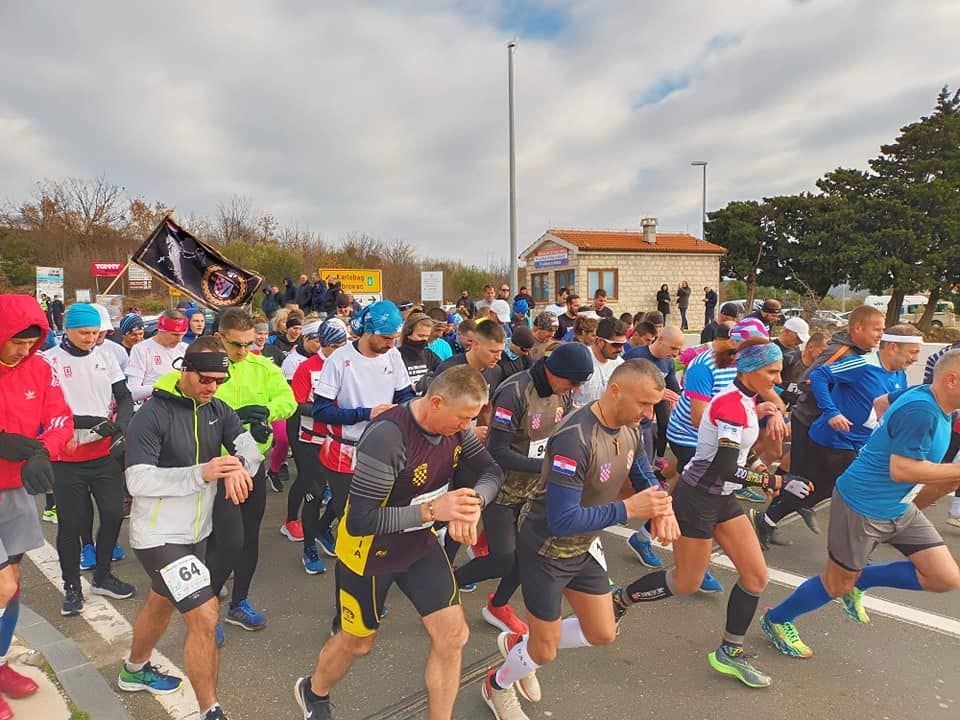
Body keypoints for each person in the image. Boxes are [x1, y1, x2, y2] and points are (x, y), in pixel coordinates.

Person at [294, 366, 502, 720]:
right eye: (463, 418)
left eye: (472, 419)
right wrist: (435, 509)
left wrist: (471, 505)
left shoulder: (456, 427)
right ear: (436, 403)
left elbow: (491, 472)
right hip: (370, 552)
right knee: (358, 643)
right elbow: (361, 521)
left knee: (452, 636)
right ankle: (313, 691)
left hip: (419, 544)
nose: (467, 427)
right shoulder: (389, 437)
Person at [482, 360, 678, 718]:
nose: (650, 414)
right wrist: (629, 507)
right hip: (546, 549)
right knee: (545, 651)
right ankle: (497, 684)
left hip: (585, 544)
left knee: (603, 633)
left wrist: (663, 507)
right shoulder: (574, 438)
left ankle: (517, 645)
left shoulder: (631, 426)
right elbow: (561, 519)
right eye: (644, 404)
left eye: (654, 405)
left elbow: (643, 470)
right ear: (615, 390)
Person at [614, 339, 803, 689]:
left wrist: (762, 415)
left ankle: (730, 651)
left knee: (756, 576)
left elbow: (734, 455)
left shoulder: (746, 400)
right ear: (748, 370)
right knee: (685, 581)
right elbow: (726, 467)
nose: (778, 380)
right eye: (772, 372)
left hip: (723, 500)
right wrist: (774, 479)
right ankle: (620, 599)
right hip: (699, 498)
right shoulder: (732, 404)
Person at [760, 349, 960, 660]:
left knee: (944, 577)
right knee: (835, 583)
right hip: (862, 507)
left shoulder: (930, 396)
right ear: (951, 380)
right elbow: (901, 469)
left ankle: (860, 580)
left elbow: (882, 404)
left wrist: (880, 441)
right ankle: (777, 619)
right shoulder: (922, 411)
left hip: (897, 506)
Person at [118, 338, 262, 720]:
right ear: (185, 370)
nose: (212, 387)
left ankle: (134, 670)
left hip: (197, 533)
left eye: (219, 380)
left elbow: (251, 452)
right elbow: (138, 481)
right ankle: (209, 710)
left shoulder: (219, 408)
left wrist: (236, 467)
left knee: (159, 602)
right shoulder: (151, 414)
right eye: (205, 379)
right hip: (158, 536)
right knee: (205, 615)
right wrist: (203, 473)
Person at [456, 343, 589, 643]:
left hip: (534, 491)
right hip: (500, 488)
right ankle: (446, 585)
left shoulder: (564, 392)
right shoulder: (514, 393)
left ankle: (498, 605)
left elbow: (561, 433)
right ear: (555, 372)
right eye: (574, 382)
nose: (577, 389)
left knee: (527, 556)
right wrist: (546, 467)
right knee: (503, 557)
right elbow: (498, 453)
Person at [752, 324, 922, 547]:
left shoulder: (899, 374)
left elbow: (887, 406)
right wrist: (832, 411)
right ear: (892, 347)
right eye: (912, 352)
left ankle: (766, 519)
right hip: (833, 439)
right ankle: (857, 551)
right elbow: (819, 376)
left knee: (819, 486)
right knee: (860, 488)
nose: (916, 359)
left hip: (858, 443)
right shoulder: (861, 363)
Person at [0, 295, 73, 720]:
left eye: (32, 341)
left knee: (13, 585)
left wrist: (44, 451)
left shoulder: (41, 367)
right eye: (15, 341)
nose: (24, 349)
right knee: (2, 586)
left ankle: (1, 661)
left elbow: (61, 418)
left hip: (19, 491)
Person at [206, 309, 296, 634]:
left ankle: (239, 602)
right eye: (235, 345)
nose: (243, 352)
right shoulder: (207, 366)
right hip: (219, 467)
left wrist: (265, 413)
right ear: (220, 338)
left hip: (252, 464)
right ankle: (209, 609)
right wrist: (234, 416)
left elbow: (289, 400)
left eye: (248, 344)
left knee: (248, 538)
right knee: (224, 541)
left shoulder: (262, 366)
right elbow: (193, 411)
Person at [760, 305, 885, 533]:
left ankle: (777, 515)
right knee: (804, 478)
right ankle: (768, 519)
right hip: (809, 420)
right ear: (858, 328)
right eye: (876, 329)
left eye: (883, 330)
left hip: (828, 427)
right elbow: (806, 382)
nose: (880, 335)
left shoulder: (864, 355)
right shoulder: (840, 351)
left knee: (819, 479)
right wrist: (833, 402)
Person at [45, 303, 136, 615]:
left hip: (102, 453)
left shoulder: (106, 355)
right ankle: (71, 587)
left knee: (112, 514)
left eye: (95, 332)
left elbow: (123, 396)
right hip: (66, 455)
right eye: (84, 332)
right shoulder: (50, 361)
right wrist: (85, 422)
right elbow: (48, 411)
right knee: (70, 524)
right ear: (67, 329)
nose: (90, 338)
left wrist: (122, 427)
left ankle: (102, 575)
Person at [310, 301, 415, 560]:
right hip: (345, 447)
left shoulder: (393, 355)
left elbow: (404, 394)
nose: (391, 344)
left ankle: (326, 531)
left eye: (394, 338)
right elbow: (320, 411)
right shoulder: (339, 358)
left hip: (382, 446)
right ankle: (351, 578)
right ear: (369, 331)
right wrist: (367, 413)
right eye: (387, 338)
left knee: (376, 508)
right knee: (353, 517)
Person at [287, 320, 349, 572]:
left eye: (344, 344)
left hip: (342, 440)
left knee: (343, 496)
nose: (341, 349)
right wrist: (333, 412)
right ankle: (309, 549)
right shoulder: (307, 368)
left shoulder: (349, 364)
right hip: (312, 440)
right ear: (323, 343)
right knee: (314, 493)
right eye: (336, 345)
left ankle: (324, 527)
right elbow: (298, 404)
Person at [434, 319, 506, 431]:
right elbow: (435, 414)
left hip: (472, 429)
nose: (498, 357)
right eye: (493, 351)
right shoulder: (449, 370)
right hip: (448, 430)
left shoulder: (495, 371)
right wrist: (468, 435)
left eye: (501, 351)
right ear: (475, 344)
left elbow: (486, 409)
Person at [126, 310, 189, 403]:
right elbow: (132, 392)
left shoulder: (185, 348)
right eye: (175, 335)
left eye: (182, 335)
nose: (179, 340)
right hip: (154, 407)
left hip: (180, 407)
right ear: (161, 331)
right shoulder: (141, 349)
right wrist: (164, 386)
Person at [573, 318, 626, 408]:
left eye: (623, 344)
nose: (620, 349)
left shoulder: (620, 366)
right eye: (616, 345)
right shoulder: (579, 361)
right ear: (600, 342)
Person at [399, 313, 443, 393]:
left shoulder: (429, 355)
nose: (424, 340)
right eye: (420, 336)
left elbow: (446, 371)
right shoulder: (396, 355)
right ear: (408, 333)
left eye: (426, 336)